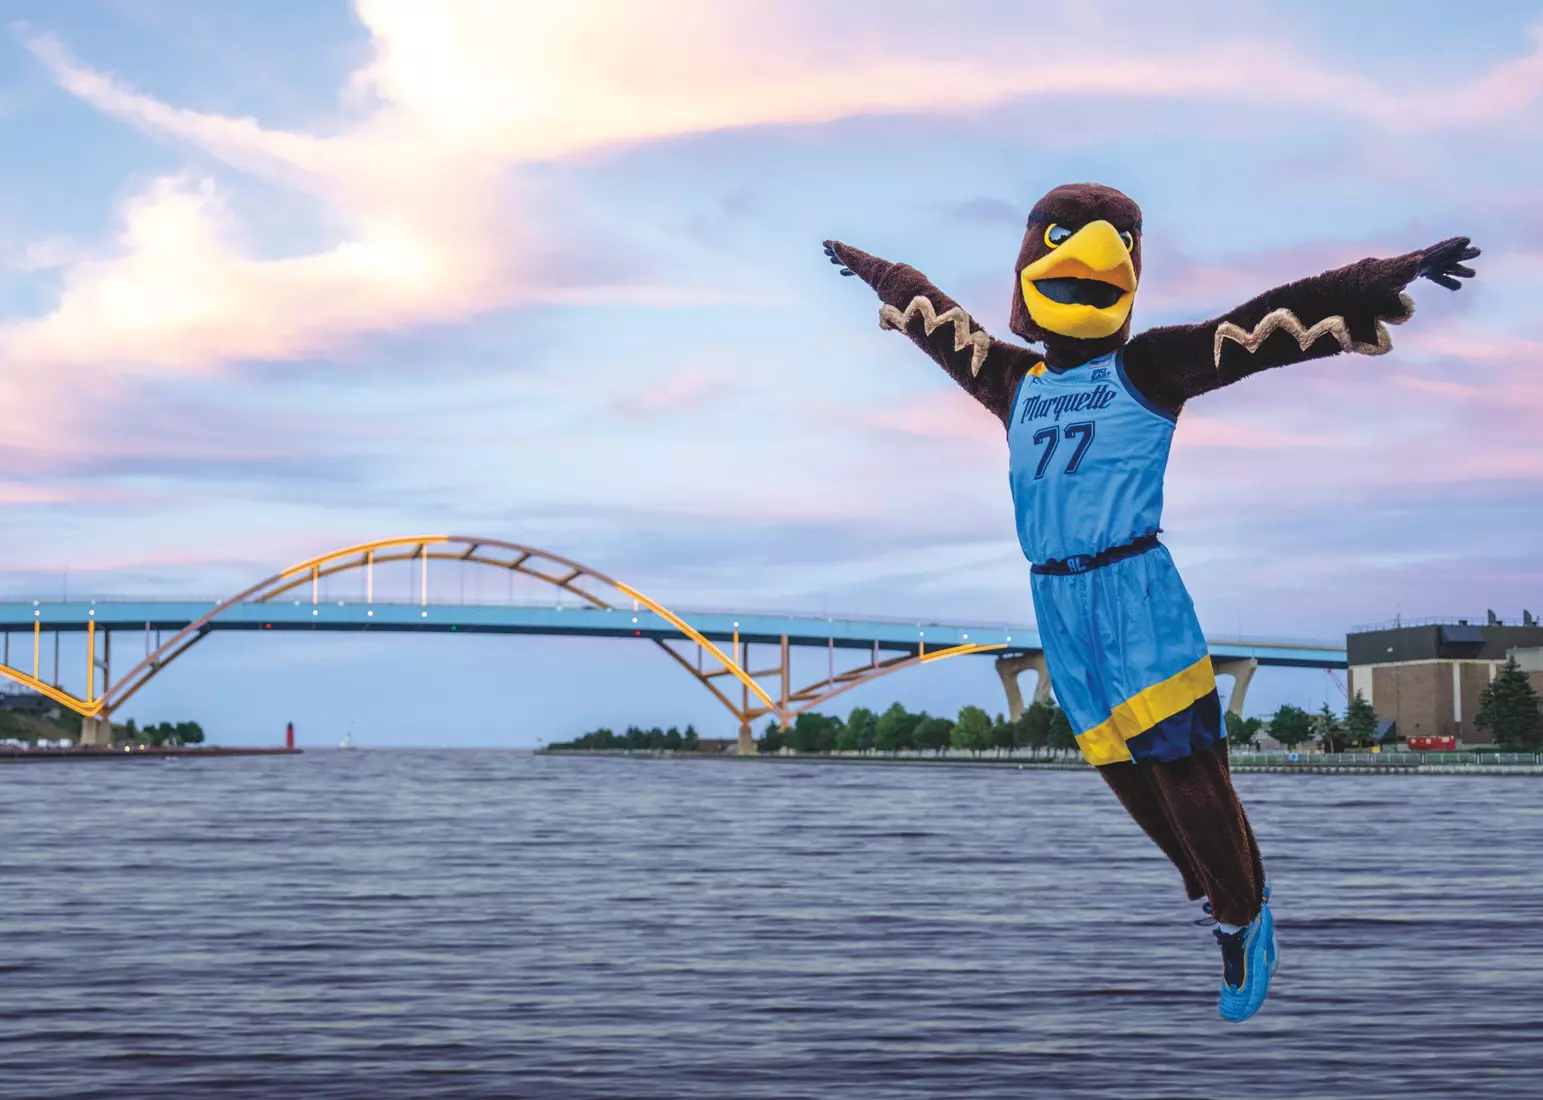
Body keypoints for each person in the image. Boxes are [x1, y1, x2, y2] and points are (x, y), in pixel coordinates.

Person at [823, 183, 1477, 1021]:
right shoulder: (1013, 381)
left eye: (1118, 245)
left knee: (1182, 761)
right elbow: (938, 324)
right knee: (1118, 765)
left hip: (1133, 586)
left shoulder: (1145, 367)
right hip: (1056, 599)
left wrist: (1388, 272)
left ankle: (1244, 912)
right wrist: (874, 271)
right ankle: (1209, 891)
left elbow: (1259, 326)